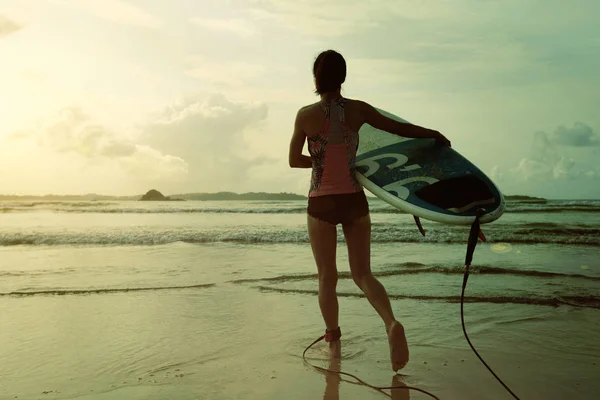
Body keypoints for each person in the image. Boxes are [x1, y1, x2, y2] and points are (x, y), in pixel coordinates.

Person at [288, 49, 451, 372]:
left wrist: (318, 161)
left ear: (316, 80)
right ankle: (390, 323)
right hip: (354, 200)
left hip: (321, 201)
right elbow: (399, 130)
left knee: (327, 277)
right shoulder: (359, 110)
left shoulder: (305, 115)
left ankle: (333, 346)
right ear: (343, 78)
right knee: (363, 274)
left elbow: (294, 159)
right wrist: (432, 134)